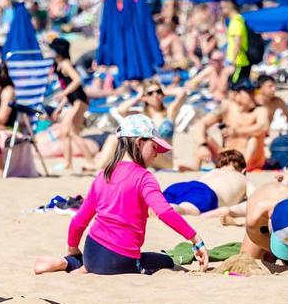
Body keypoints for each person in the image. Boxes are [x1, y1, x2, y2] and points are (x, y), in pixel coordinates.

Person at [33, 114, 209, 276]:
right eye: (154, 147)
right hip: (121, 260)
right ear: (139, 142)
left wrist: (72, 248)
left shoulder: (104, 175)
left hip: (91, 251)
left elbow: (79, 220)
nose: (156, 154)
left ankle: (69, 263)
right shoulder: (144, 177)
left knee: (92, 261)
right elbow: (164, 212)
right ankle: (80, 267)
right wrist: (195, 239)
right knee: (165, 261)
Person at [194, 80, 270, 171]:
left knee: (253, 139)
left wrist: (236, 131)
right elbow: (201, 124)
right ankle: (195, 168)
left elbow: (263, 127)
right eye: (249, 93)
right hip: (227, 154)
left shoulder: (260, 110)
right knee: (204, 137)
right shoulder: (226, 107)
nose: (254, 96)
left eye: (254, 93)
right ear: (236, 95)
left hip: (250, 160)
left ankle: (241, 167)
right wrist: (203, 145)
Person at [50, 35, 95, 172]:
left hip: (79, 101)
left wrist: (63, 94)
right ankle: (68, 163)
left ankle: (90, 162)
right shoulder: (59, 65)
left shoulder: (65, 64)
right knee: (66, 132)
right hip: (75, 102)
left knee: (71, 132)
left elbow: (77, 80)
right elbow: (69, 89)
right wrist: (59, 107)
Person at [163, 149, 250, 216]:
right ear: (244, 170)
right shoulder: (243, 178)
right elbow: (254, 202)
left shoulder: (213, 171)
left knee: (160, 204)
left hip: (182, 186)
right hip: (205, 193)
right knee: (183, 209)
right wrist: (230, 210)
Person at [221, 0, 252, 86]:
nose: (221, 10)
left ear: (229, 7)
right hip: (238, 61)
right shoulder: (237, 21)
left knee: (235, 87)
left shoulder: (236, 22)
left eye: (222, 8)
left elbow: (237, 44)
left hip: (238, 62)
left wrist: (232, 61)